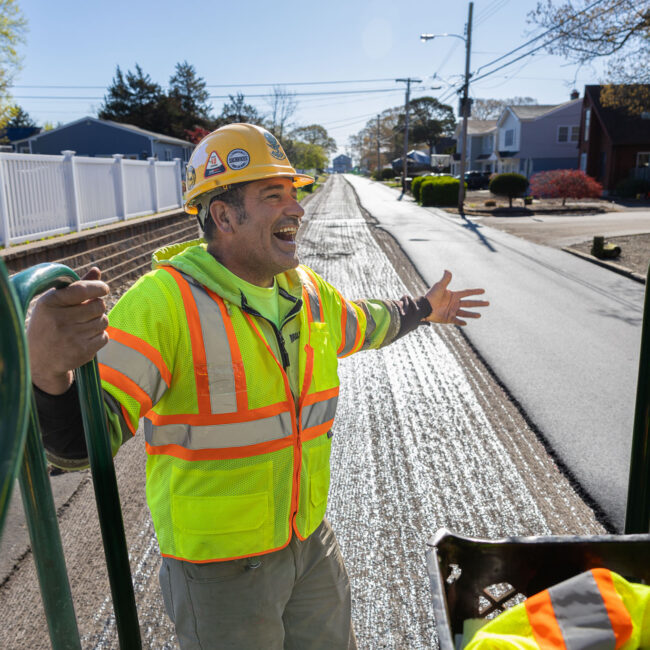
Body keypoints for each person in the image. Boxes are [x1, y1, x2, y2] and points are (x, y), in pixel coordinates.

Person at [28, 123, 489, 649]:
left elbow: (366, 323)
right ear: (223, 215)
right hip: (221, 573)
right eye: (275, 196)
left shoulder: (306, 291)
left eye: (295, 194)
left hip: (308, 542)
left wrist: (425, 308)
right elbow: (77, 445)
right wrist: (47, 370)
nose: (296, 209)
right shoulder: (163, 303)